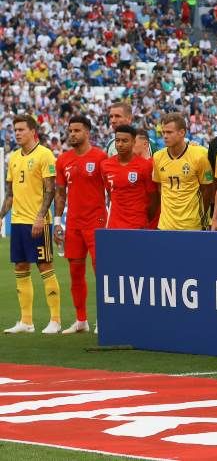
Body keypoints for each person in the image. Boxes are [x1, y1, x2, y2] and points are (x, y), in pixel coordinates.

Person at [0, 115, 61, 334]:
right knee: (20, 267)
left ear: (33, 131)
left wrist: (40, 216)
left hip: (38, 222)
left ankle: (55, 320)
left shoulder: (45, 155)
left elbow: (50, 190)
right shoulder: (13, 158)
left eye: (21, 129)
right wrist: (1, 215)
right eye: (15, 130)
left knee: (44, 266)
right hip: (18, 222)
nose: (17, 133)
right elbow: (10, 194)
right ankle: (26, 322)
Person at [53, 116, 107, 335]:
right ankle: (81, 320)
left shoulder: (100, 157)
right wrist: (58, 222)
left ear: (87, 132)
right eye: (70, 130)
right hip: (73, 223)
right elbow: (60, 193)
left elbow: (111, 191)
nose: (72, 134)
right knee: (75, 272)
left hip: (97, 222)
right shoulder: (63, 160)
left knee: (101, 272)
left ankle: (104, 318)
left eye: (77, 130)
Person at [152, 113, 213, 231]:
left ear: (182, 133)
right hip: (165, 225)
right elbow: (160, 188)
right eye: (163, 132)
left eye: (169, 132)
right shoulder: (158, 157)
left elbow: (207, 189)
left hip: (192, 225)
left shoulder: (200, 155)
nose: (165, 136)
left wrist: (201, 216)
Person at [101, 125, 158, 229]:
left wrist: (144, 219)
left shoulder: (145, 166)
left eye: (125, 141)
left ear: (133, 142)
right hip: (114, 226)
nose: (120, 144)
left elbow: (153, 199)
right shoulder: (105, 165)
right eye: (117, 140)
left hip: (138, 226)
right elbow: (110, 193)